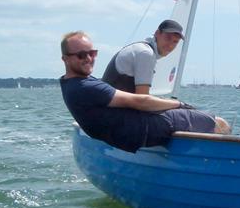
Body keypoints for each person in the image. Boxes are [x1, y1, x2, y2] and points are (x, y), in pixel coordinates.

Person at [60, 31, 230, 153]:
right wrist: (180, 104)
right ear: (65, 59)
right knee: (219, 123)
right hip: (146, 129)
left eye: (92, 53)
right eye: (82, 55)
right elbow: (141, 101)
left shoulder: (69, 84)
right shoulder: (85, 87)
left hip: (133, 131)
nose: (89, 58)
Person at [101, 19, 185, 94]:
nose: (170, 45)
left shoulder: (142, 48)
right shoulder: (146, 53)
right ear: (157, 33)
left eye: (175, 42)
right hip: (110, 109)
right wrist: (177, 104)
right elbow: (142, 99)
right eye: (168, 38)